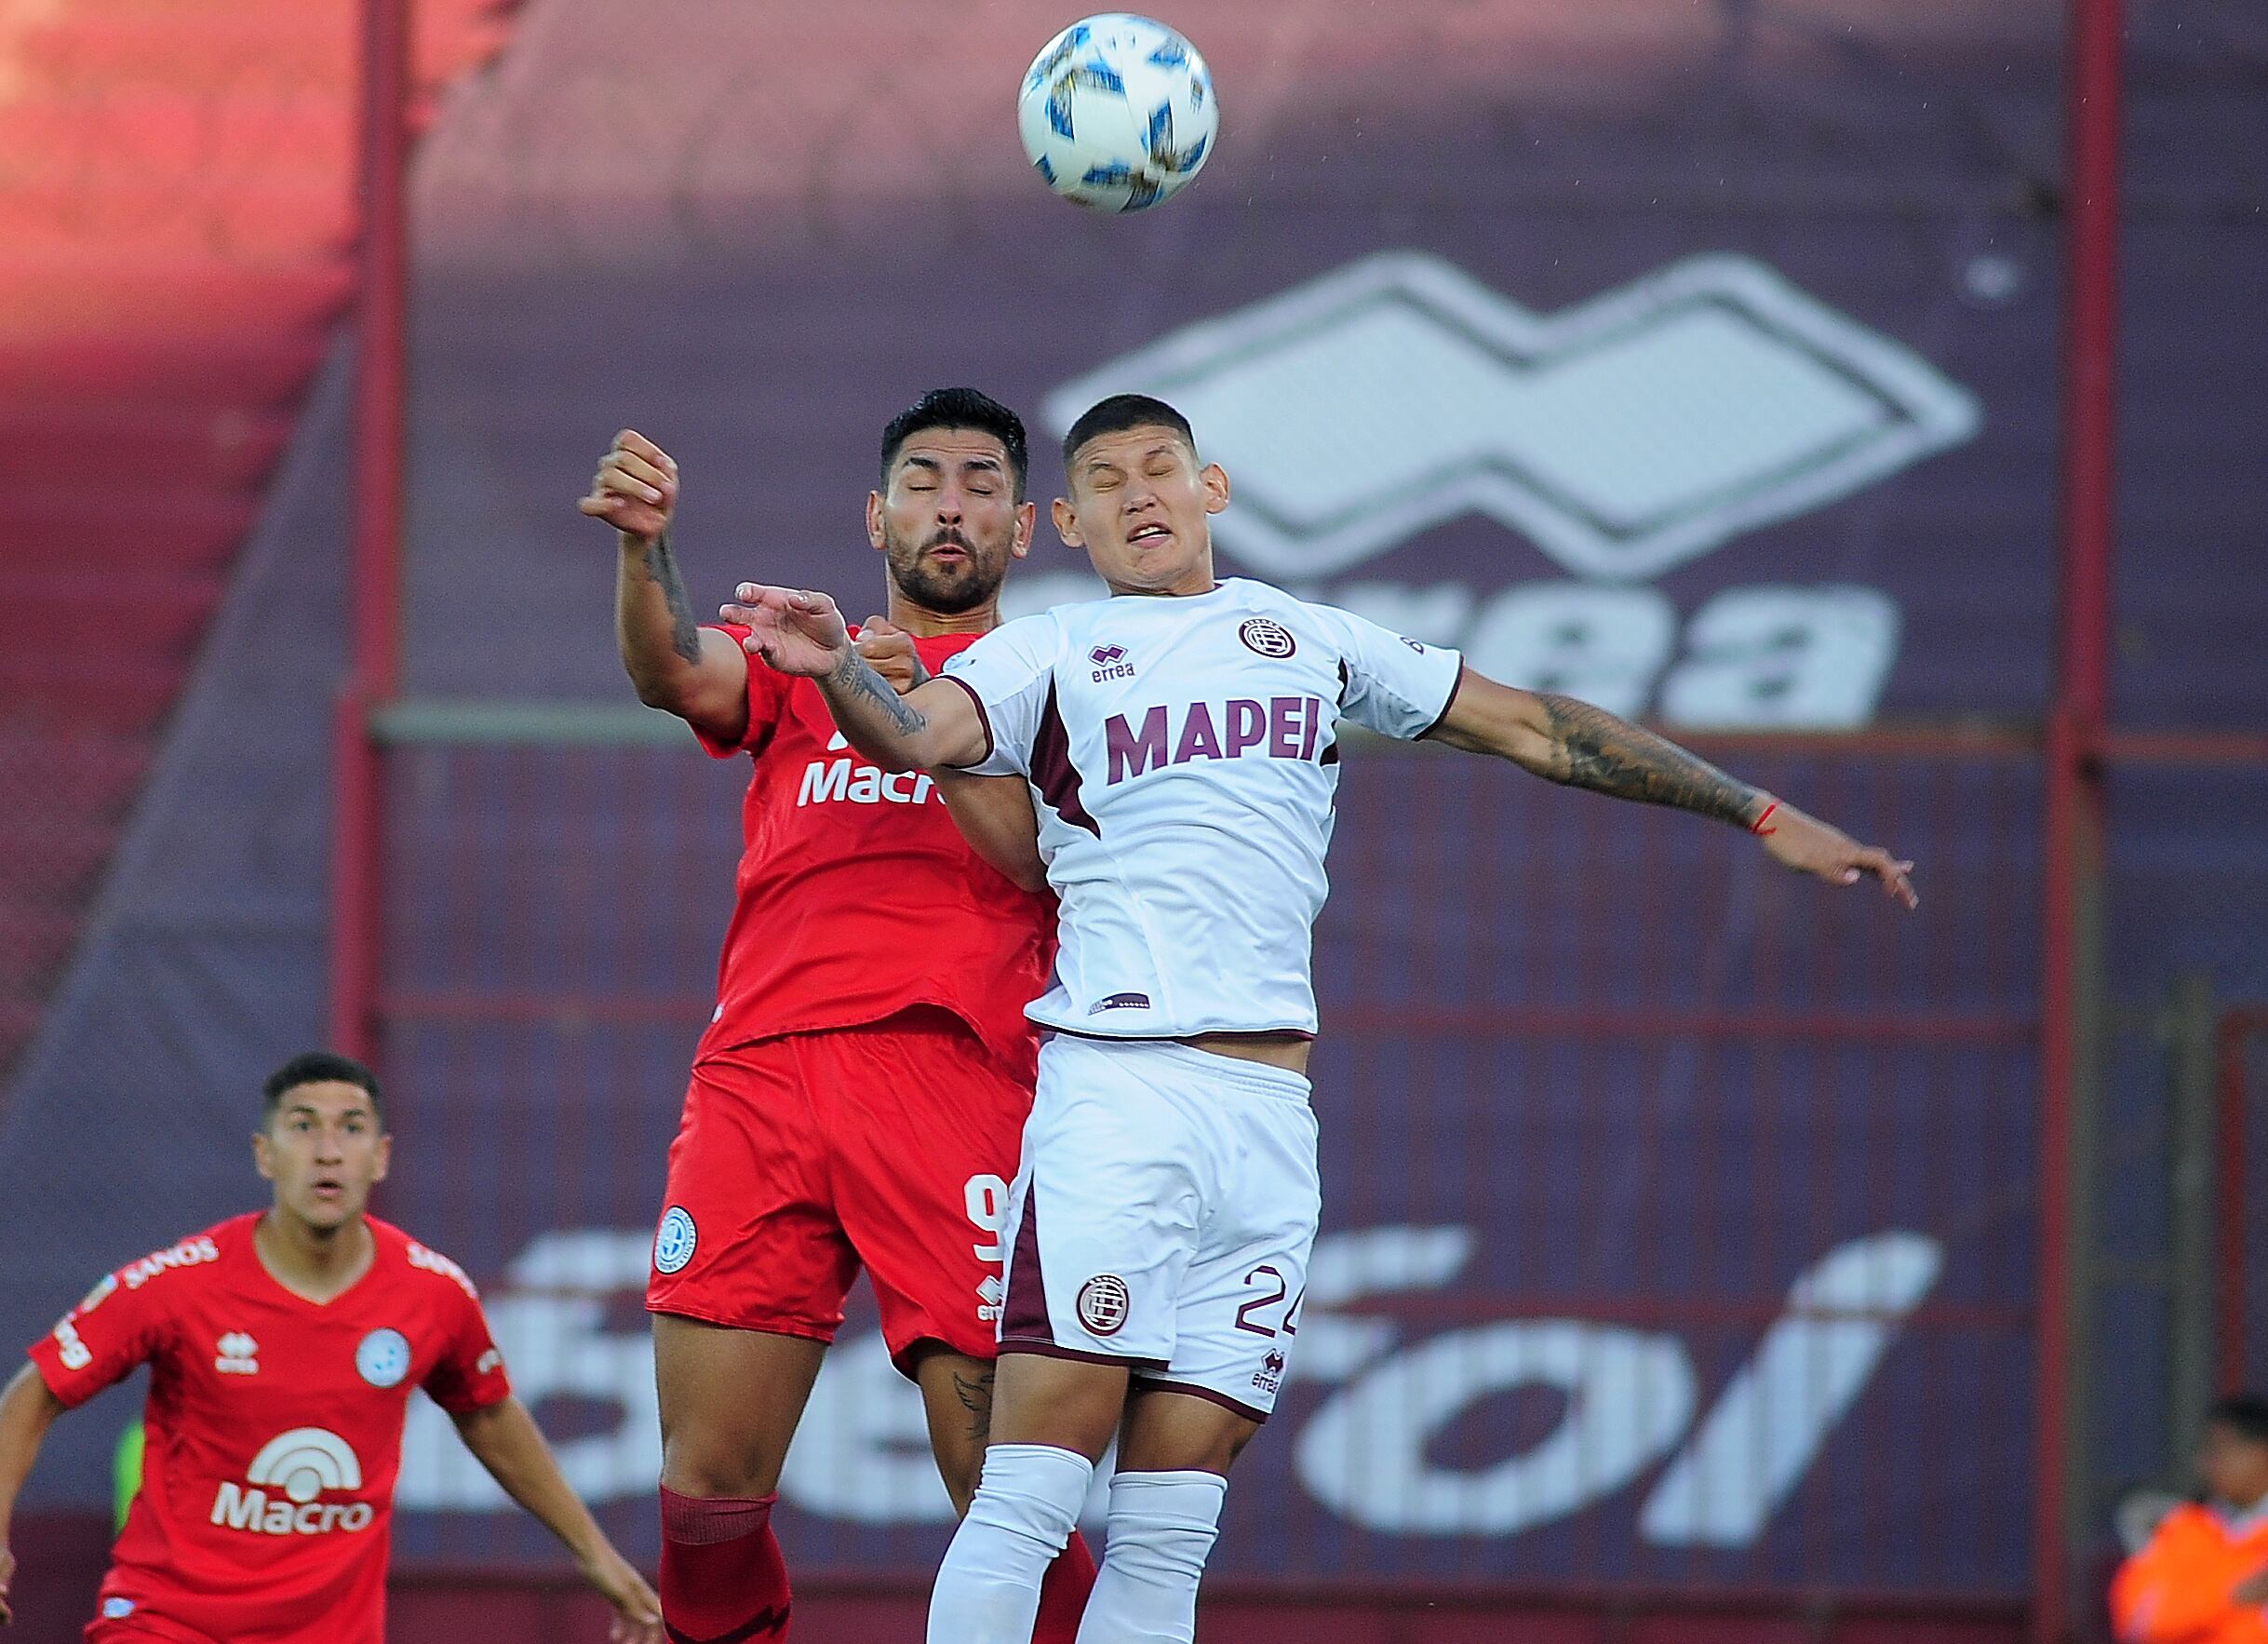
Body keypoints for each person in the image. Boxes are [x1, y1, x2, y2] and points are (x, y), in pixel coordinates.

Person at [722, 391, 1922, 1644]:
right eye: (1108, 481)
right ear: (1065, 523)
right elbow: (919, 737)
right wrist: (843, 669)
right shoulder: (1044, 653)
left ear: (1213, 491)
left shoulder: (1309, 638)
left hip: (1268, 1120)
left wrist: (1762, 816)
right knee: (1029, 1488)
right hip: (1120, 1099)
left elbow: (1531, 725)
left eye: (1161, 469)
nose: (1140, 494)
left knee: (1173, 1528)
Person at [577, 387, 1096, 1643]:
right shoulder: (795, 654)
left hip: (955, 1075)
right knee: (704, 1491)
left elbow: (1036, 858)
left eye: (981, 482)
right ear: (877, 511)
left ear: (1024, 527)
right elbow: (670, 670)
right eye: (924, 479)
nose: (952, 503)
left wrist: (853, 670)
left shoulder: (1052, 675)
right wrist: (646, 543)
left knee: (998, 1478)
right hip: (757, 1080)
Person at [0, 1052, 661, 1643]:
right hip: (170, 1623)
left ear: (380, 1156)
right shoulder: (176, 1284)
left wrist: (592, 1552)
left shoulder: (431, 1293)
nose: (327, 1150)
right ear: (265, 1153)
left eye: (350, 1128)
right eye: (302, 1125)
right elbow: (35, 1393)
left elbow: (486, 1412)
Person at [2113, 1394, 2268, 1643]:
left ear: (2261, 1453)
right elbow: (2139, 1622)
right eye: (2207, 1452)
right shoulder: (2183, 1528)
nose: (2207, 1463)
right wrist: (2228, 1596)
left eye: (2219, 1450)